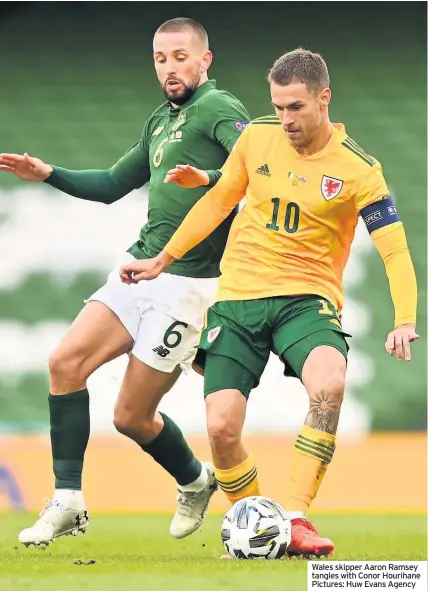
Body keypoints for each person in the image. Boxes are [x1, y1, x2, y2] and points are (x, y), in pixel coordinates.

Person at [119, 48, 419, 558]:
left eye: (296, 108)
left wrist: (405, 319)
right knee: (220, 426)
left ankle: (296, 516)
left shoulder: (359, 169)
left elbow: (394, 248)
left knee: (330, 384)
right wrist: (162, 260)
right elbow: (217, 202)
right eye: (278, 107)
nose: (285, 120)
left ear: (324, 100)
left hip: (307, 299)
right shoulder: (257, 137)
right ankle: (257, 526)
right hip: (239, 297)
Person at [0, 17, 251, 546]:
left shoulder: (219, 108)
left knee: (132, 417)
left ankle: (195, 479)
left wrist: (208, 179)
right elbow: (115, 183)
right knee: (65, 363)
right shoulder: (161, 121)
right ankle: (67, 498)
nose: (170, 68)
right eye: (161, 59)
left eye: (181, 56)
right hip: (140, 267)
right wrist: (49, 174)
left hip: (188, 283)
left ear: (205, 60)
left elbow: (256, 165)